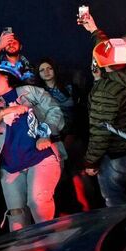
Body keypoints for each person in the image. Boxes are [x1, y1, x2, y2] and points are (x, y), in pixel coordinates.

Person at [0, 61, 66, 231]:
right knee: (16, 215)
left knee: (38, 202)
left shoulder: (29, 92)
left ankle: (50, 245)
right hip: (11, 165)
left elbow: (55, 111)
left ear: (5, 76)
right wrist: (5, 112)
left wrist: (46, 134)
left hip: (40, 157)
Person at [83, 38, 126, 206]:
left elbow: (100, 131)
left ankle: (124, 232)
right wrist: (94, 32)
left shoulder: (105, 91)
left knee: (115, 203)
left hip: (114, 156)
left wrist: (91, 161)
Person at [36, 57, 90, 212]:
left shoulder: (70, 88)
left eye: (49, 68)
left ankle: (86, 204)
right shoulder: (38, 93)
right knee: (58, 173)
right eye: (42, 70)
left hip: (73, 134)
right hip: (53, 137)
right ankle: (61, 208)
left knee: (77, 170)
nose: (46, 72)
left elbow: (80, 111)